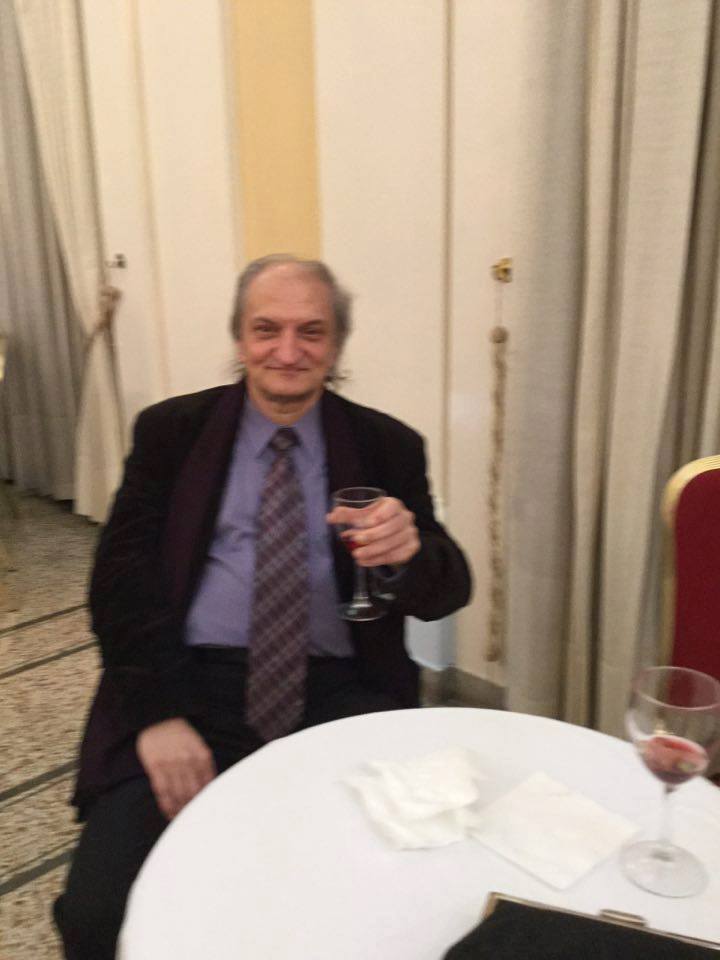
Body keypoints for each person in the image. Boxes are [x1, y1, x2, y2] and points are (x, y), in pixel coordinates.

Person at [54, 254, 472, 959]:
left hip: (341, 694)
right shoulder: (173, 432)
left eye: (311, 331)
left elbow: (446, 592)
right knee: (99, 916)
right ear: (239, 337)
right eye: (266, 329)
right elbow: (118, 583)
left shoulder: (386, 445)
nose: (287, 351)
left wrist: (410, 554)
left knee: (392, 905)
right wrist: (157, 714)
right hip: (188, 687)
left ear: (337, 345)